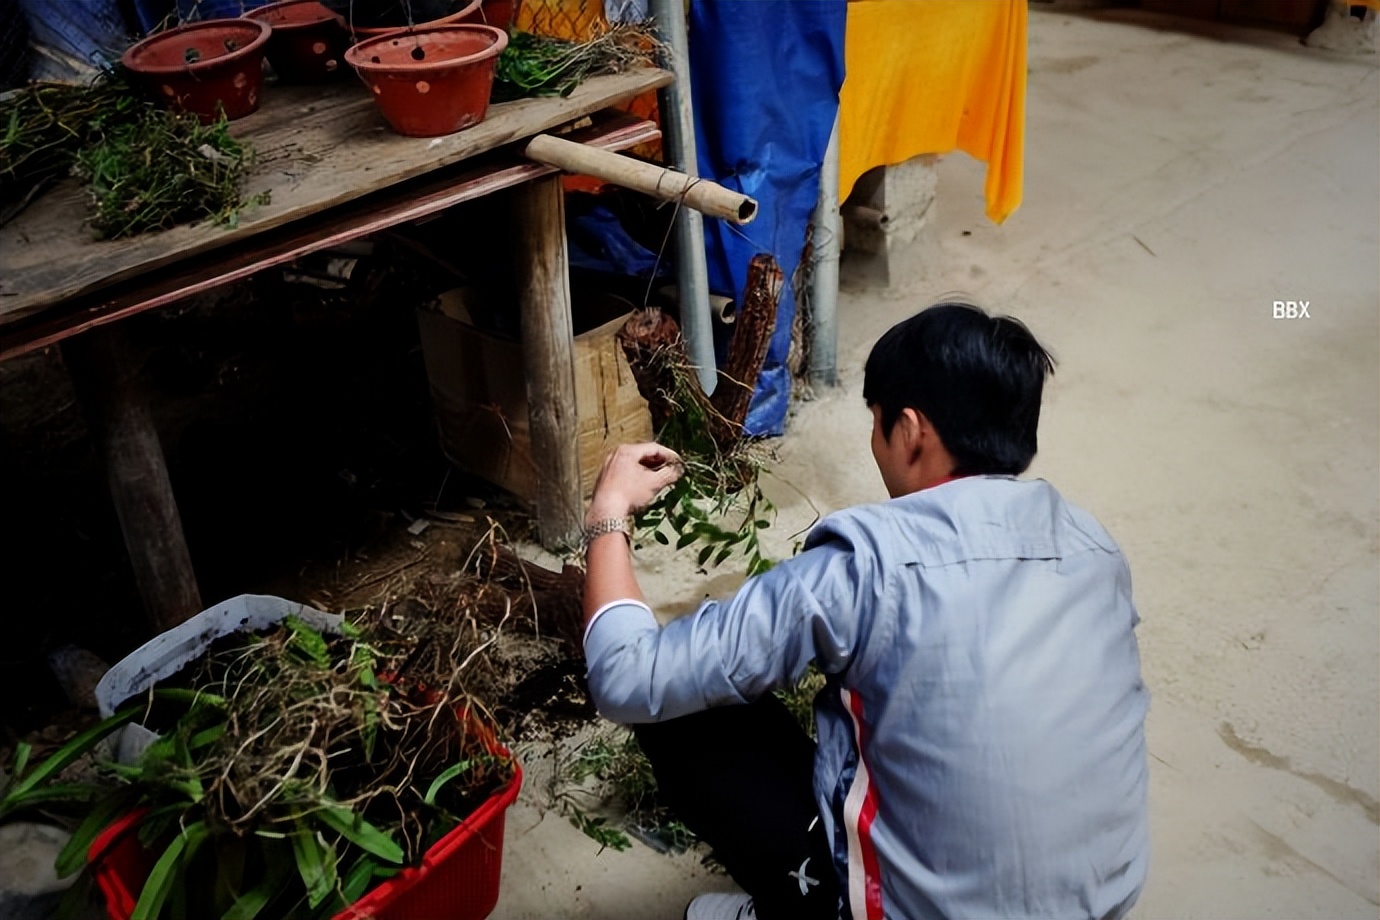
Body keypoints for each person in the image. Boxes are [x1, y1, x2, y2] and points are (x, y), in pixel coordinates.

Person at [579, 302, 1149, 920]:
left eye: (876, 422)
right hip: (1100, 908)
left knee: (689, 708)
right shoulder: (1096, 551)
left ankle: (810, 906)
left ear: (910, 430)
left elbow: (627, 677)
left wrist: (608, 515)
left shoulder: (868, 565)